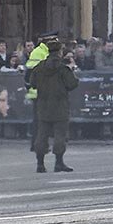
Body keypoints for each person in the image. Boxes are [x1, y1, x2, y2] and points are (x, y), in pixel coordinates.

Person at [32, 40, 79, 172]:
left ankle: (40, 164)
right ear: (59, 52)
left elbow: (32, 82)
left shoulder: (39, 67)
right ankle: (59, 163)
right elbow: (72, 84)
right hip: (60, 105)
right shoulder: (63, 68)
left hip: (43, 105)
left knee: (42, 134)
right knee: (60, 134)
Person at [25, 32, 55, 151]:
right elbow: (33, 73)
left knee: (43, 119)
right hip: (39, 91)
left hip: (44, 91)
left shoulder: (47, 52)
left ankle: (39, 144)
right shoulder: (39, 52)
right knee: (40, 120)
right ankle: (38, 145)